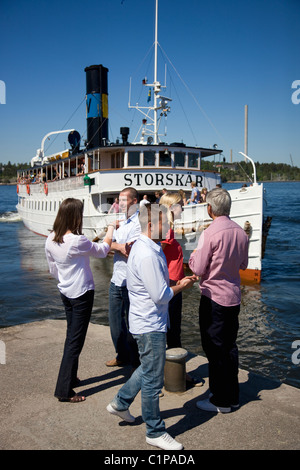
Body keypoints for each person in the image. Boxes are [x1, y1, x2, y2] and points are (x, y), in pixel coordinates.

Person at [106, 203, 198, 450]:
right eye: (165, 224)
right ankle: (154, 431)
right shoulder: (147, 253)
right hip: (150, 324)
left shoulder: (147, 246)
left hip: (146, 320)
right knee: (153, 380)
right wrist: (182, 287)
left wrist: (175, 282)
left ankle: (120, 403)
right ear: (150, 225)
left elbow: (156, 286)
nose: (169, 228)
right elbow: (161, 295)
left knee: (147, 369)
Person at [45, 198, 115, 403]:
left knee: (71, 335)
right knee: (75, 341)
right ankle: (63, 391)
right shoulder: (77, 241)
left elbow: (52, 269)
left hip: (65, 291)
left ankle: (71, 377)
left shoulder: (50, 238)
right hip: (82, 293)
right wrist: (110, 228)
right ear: (75, 217)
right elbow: (102, 251)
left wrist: (65, 280)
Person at [189, 188, 249, 413]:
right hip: (233, 297)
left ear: (210, 209)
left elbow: (197, 267)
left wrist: (194, 253)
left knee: (214, 348)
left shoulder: (210, 233)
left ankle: (220, 399)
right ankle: (232, 395)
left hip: (213, 298)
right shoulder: (241, 233)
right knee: (230, 347)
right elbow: (243, 264)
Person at [106, 187, 141, 369]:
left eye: (124, 200)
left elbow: (129, 249)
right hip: (116, 279)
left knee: (133, 324)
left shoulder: (138, 223)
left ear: (134, 202)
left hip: (131, 281)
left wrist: (115, 246)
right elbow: (106, 246)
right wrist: (117, 246)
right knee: (115, 324)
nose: (120, 204)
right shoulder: (122, 222)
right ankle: (122, 354)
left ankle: (136, 361)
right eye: (119, 200)